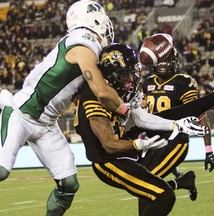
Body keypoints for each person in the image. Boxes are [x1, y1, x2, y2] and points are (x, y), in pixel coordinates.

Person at [75, 43, 214, 216]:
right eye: (126, 75)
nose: (131, 80)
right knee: (164, 196)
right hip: (108, 161)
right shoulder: (93, 98)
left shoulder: (117, 88)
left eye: (132, 74)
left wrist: (176, 125)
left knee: (171, 115)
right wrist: (138, 145)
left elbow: (142, 119)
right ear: (111, 74)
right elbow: (108, 144)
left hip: (123, 146)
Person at [0, 1, 128, 215]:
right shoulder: (84, 43)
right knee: (1, 171)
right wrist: (125, 111)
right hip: (21, 113)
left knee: (69, 184)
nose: (106, 25)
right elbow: (102, 91)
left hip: (47, 124)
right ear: (93, 20)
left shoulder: (84, 46)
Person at [141, 46, 214, 196]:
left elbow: (200, 115)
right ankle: (183, 180)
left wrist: (209, 151)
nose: (163, 64)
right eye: (161, 60)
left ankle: (181, 179)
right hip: (153, 140)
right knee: (139, 178)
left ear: (174, 61)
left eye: (167, 60)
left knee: (146, 182)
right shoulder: (147, 83)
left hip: (176, 140)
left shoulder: (183, 82)